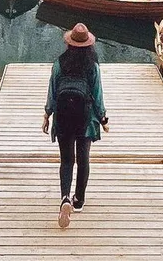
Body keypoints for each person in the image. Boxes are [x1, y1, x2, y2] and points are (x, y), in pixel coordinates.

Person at [42, 22, 108, 228]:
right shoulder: (92, 66)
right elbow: (97, 96)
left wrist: (47, 114)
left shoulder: (59, 63)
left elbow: (52, 91)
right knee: (83, 160)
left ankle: (64, 198)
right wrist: (103, 119)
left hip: (63, 117)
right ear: (89, 45)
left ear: (69, 43)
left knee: (67, 161)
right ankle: (78, 200)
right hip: (85, 120)